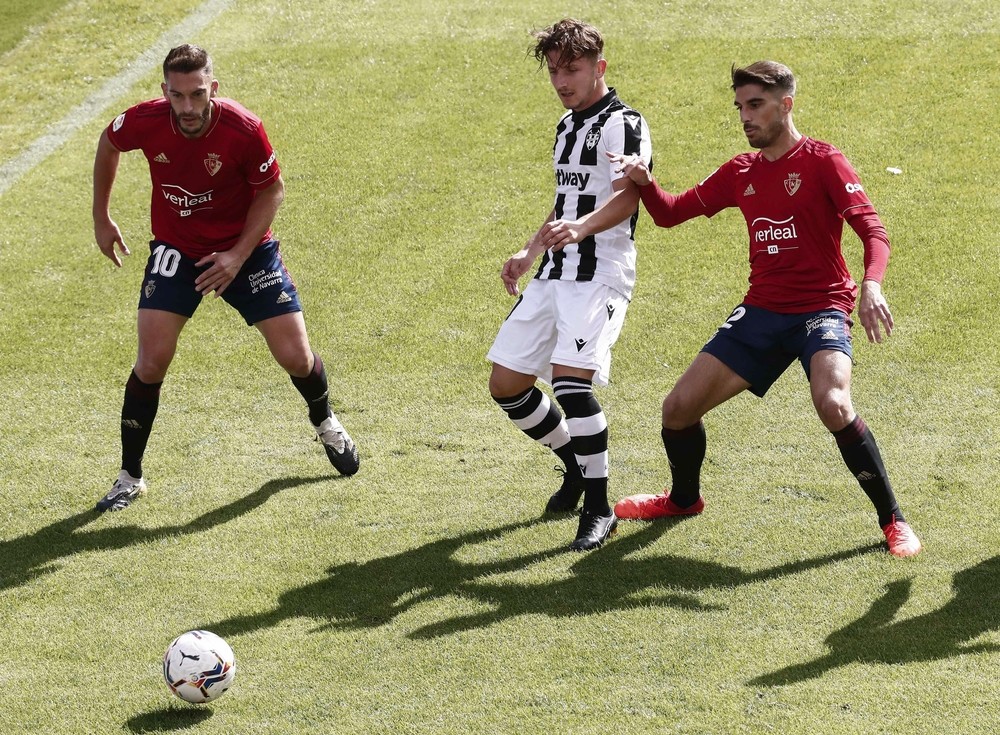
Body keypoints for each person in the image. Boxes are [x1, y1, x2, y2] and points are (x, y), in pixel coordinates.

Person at [541, 61, 921, 557]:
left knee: (834, 404)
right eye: (740, 107)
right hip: (761, 312)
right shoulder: (740, 172)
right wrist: (645, 181)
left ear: (786, 105)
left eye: (755, 105)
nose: (745, 116)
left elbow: (873, 230)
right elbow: (672, 214)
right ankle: (683, 500)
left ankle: (893, 520)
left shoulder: (824, 161)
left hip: (820, 311)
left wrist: (872, 286)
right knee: (677, 410)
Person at [91, 44, 359, 512]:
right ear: (165, 92)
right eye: (178, 96)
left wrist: (236, 256)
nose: (188, 108)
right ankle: (129, 475)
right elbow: (109, 142)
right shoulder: (145, 119)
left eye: (198, 94)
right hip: (177, 249)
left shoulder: (243, 128)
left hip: (246, 252)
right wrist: (101, 216)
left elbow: (272, 191)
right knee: (151, 362)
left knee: (296, 357)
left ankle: (325, 421)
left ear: (213, 88)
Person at [487, 19, 652, 551]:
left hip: (599, 273)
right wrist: (529, 250)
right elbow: (566, 203)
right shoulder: (565, 126)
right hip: (555, 272)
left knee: (571, 384)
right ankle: (576, 467)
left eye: (573, 70)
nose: (562, 81)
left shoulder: (624, 125)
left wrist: (581, 229)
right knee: (506, 384)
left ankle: (600, 509)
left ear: (599, 67)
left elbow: (629, 197)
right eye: (555, 71)